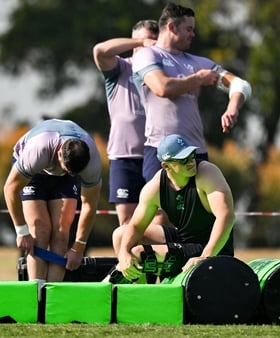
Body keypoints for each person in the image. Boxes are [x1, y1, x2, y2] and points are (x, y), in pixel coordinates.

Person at [132, 2, 252, 182]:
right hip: (160, 151)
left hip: (196, 152)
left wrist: (232, 107)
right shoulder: (147, 55)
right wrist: (199, 79)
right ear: (172, 27)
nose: (192, 35)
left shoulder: (198, 63)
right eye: (188, 29)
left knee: (205, 209)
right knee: (159, 210)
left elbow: (240, 85)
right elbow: (162, 88)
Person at [113, 134, 235, 283]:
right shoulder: (156, 186)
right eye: (183, 159)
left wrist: (206, 256)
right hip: (184, 240)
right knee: (120, 236)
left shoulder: (207, 173)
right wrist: (124, 252)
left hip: (210, 248)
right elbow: (137, 226)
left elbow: (226, 217)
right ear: (166, 165)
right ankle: (141, 296)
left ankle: (139, 298)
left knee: (140, 253)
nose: (191, 161)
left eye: (192, 155)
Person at [3, 119, 102, 290]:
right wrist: (21, 231)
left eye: (72, 172)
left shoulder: (91, 162)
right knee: (39, 231)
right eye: (65, 168)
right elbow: (10, 189)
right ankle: (37, 297)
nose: (65, 172)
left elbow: (89, 205)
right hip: (35, 173)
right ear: (59, 155)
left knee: (61, 233)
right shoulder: (38, 150)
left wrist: (78, 247)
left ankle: (52, 302)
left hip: (63, 176)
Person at [92, 20, 158, 228]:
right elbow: (100, 50)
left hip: (156, 154)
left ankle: (156, 260)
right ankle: (128, 261)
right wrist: (140, 42)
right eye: (141, 42)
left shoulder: (161, 73)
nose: (146, 47)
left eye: (152, 42)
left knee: (160, 219)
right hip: (124, 157)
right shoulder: (121, 67)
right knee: (127, 223)